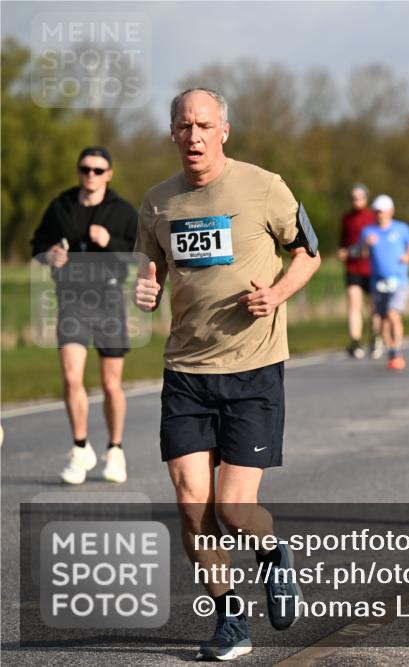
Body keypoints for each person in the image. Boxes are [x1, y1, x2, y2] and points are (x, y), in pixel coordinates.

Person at [133, 88, 320, 661]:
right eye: (184, 125)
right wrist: (146, 286)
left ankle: (272, 554)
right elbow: (151, 264)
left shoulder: (264, 186)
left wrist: (278, 293)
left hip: (252, 369)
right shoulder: (157, 202)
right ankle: (230, 621)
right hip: (186, 371)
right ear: (172, 133)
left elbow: (308, 253)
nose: (194, 136)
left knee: (234, 510)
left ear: (225, 131)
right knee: (193, 505)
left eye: (204, 125)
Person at [31, 146, 137, 485]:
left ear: (109, 174)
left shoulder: (121, 212)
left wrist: (110, 242)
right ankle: (80, 450)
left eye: (98, 169)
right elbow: (37, 245)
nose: (90, 174)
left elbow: (139, 255)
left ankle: (115, 450)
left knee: (110, 383)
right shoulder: (60, 207)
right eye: (85, 168)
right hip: (72, 300)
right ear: (79, 171)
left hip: (109, 299)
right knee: (71, 377)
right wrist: (50, 256)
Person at [363, 195, 409, 371]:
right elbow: (360, 253)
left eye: (383, 211)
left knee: (393, 314)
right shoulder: (368, 231)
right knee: (383, 319)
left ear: (391, 211)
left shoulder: (402, 229)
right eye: (377, 211)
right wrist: (366, 245)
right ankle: (391, 349)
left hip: (399, 279)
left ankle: (396, 349)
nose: (380, 214)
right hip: (378, 281)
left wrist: (408, 255)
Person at [337, 184, 380, 359]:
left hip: (371, 268)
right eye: (353, 198)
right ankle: (355, 341)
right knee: (354, 303)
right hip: (353, 267)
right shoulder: (346, 218)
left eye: (360, 197)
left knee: (373, 306)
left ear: (366, 198)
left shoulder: (372, 217)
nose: (356, 201)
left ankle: (376, 338)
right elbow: (343, 243)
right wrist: (343, 252)